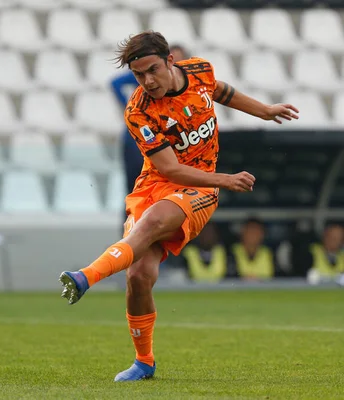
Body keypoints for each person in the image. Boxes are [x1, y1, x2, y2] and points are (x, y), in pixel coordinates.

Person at [59, 30, 299, 381]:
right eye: (139, 75)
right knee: (139, 276)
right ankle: (144, 362)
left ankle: (84, 277)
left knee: (155, 222)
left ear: (170, 59)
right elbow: (169, 169)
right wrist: (228, 178)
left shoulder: (200, 70)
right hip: (155, 185)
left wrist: (263, 111)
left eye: (153, 70)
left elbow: (219, 90)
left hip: (199, 186)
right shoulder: (138, 111)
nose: (147, 81)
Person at [111, 44, 190, 197]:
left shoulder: (185, 88)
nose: (148, 81)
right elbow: (115, 83)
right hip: (138, 137)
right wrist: (127, 105)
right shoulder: (141, 106)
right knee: (136, 186)